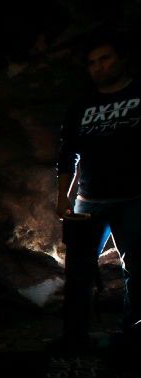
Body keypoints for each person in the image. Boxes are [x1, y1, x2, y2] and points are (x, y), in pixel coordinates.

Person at [55, 30, 141, 349]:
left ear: (121, 59)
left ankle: (133, 336)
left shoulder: (138, 93)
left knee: (137, 269)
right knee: (78, 272)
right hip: (88, 201)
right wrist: (63, 196)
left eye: (105, 59)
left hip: (134, 199)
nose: (99, 67)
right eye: (92, 63)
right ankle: (74, 337)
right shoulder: (82, 106)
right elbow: (67, 155)